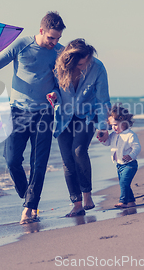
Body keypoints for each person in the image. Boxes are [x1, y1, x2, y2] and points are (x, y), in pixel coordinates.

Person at [0, 11, 66, 224]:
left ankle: (30, 207)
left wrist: (56, 94)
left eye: (57, 38)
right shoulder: (21, 45)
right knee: (11, 160)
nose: (54, 42)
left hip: (44, 114)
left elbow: (62, 85)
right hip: (17, 112)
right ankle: (27, 196)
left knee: (38, 163)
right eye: (51, 38)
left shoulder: (59, 52)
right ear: (41, 31)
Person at [47, 38, 110, 217]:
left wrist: (102, 127)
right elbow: (55, 88)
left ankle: (87, 195)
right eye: (82, 63)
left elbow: (102, 100)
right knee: (67, 161)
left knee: (79, 151)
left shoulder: (97, 68)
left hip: (87, 115)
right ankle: (76, 203)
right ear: (71, 62)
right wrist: (54, 94)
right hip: (63, 117)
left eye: (87, 61)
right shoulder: (58, 67)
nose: (85, 65)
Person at [98, 103, 141, 208]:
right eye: (112, 125)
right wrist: (102, 139)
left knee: (123, 183)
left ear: (125, 122)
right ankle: (131, 201)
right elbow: (108, 142)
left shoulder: (130, 135)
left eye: (116, 125)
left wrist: (131, 155)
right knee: (125, 184)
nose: (113, 127)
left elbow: (137, 147)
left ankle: (123, 201)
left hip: (130, 165)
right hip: (119, 165)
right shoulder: (113, 135)